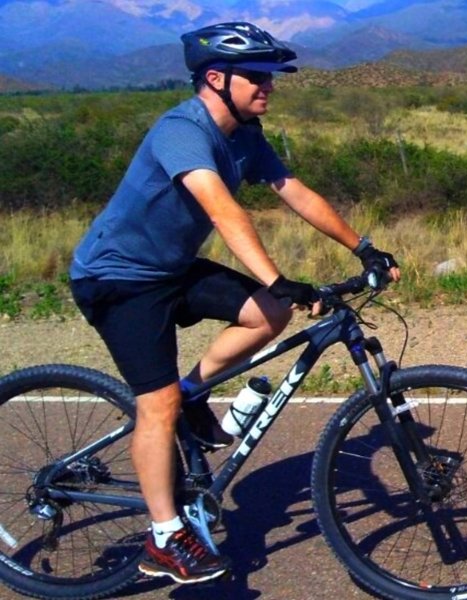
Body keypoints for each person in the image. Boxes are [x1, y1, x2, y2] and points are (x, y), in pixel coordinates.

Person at [68, 22, 400, 585]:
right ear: (215, 79)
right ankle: (165, 537)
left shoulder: (246, 133)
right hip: (118, 279)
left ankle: (193, 393)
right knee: (156, 403)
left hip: (171, 269)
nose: (268, 85)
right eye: (256, 76)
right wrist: (276, 276)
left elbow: (293, 190)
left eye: (270, 75)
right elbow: (224, 212)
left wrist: (362, 246)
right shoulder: (182, 129)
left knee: (268, 314)